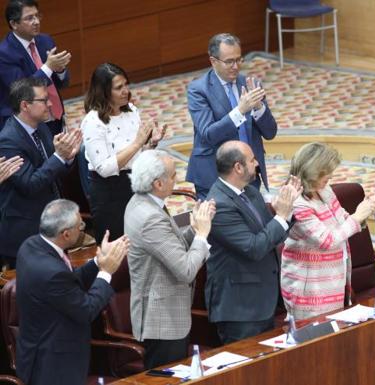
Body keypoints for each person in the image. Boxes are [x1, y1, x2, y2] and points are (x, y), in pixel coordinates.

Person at [15, 199, 129, 385]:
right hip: (54, 364)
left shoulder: (30, 246)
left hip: (40, 350)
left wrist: (98, 262)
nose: (83, 228)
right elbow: (87, 310)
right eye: (80, 225)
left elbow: (69, 280)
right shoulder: (52, 272)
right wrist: (106, 272)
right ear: (66, 234)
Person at [125, 149, 215, 369]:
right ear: (157, 183)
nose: (177, 179)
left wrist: (193, 229)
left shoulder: (142, 202)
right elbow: (185, 269)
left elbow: (169, 244)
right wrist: (202, 234)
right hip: (162, 321)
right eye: (173, 175)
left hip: (166, 313)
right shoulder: (150, 217)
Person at [205, 140, 300, 344]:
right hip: (240, 308)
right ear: (238, 167)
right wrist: (281, 216)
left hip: (262, 300)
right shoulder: (219, 205)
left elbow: (271, 235)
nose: (257, 163)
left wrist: (288, 208)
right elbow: (254, 248)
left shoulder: (250, 192)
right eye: (252, 159)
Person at [281, 142, 375, 319]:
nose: (331, 175)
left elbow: (341, 218)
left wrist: (365, 210)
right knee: (315, 340)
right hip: (309, 289)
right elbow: (326, 240)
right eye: (326, 172)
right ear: (312, 172)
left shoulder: (324, 189)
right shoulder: (296, 202)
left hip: (334, 279)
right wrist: (357, 217)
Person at [0, 77, 81, 269]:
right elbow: (30, 185)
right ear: (25, 105)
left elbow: (53, 171)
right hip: (26, 232)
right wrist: (59, 158)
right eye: (44, 100)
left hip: (51, 224)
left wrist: (67, 158)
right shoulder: (8, 142)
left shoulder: (41, 127)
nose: (50, 104)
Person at [187, 33, 278, 199]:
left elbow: (270, 133)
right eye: (229, 61)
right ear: (213, 61)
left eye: (239, 60)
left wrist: (258, 108)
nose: (236, 66)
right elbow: (208, 134)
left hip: (249, 173)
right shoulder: (198, 90)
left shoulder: (250, 84)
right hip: (214, 176)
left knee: (253, 221)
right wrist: (240, 111)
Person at [82, 63, 165, 243]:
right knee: (120, 250)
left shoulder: (131, 111)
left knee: (146, 241)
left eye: (126, 85)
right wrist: (137, 143)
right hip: (109, 193)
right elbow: (104, 168)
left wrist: (151, 143)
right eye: (119, 88)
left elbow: (137, 157)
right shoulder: (93, 122)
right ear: (103, 91)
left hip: (136, 183)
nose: (126, 91)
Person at [0, 0, 71, 134]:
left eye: (37, 16)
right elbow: (21, 92)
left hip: (55, 113)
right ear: (14, 24)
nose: (36, 21)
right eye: (29, 18)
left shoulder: (45, 40)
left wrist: (60, 70)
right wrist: (49, 67)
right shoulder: (4, 53)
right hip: (27, 122)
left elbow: (61, 83)